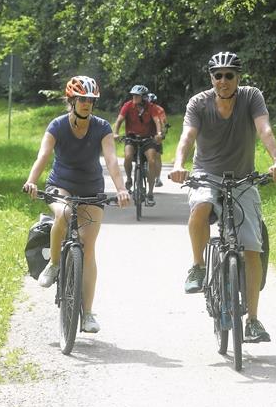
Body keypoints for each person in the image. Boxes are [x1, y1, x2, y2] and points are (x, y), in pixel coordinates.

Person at [169, 51, 276, 343]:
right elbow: (187, 136)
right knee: (201, 206)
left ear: (238, 77)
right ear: (212, 78)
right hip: (206, 174)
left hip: (243, 178)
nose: (223, 81)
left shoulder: (251, 97)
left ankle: (254, 321)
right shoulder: (198, 102)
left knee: (251, 247)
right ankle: (198, 267)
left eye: (229, 75)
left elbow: (264, 129)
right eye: (218, 75)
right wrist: (178, 165)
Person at [23, 76, 131, 335]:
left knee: (89, 247)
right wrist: (31, 181)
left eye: (90, 100)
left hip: (91, 188)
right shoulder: (58, 125)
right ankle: (55, 263)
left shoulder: (102, 127)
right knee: (65, 211)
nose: (86, 104)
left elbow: (112, 160)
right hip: (61, 184)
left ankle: (88, 313)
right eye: (82, 99)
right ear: (71, 101)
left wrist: (121, 189)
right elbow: (44, 155)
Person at [112, 84, 166, 207]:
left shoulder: (151, 107)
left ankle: (150, 193)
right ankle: (130, 178)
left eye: (137, 96)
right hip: (131, 137)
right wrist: (115, 133)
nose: (134, 98)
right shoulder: (128, 106)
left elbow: (157, 121)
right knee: (128, 156)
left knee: (152, 160)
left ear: (144, 97)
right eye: (133, 95)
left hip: (148, 138)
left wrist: (158, 134)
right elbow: (120, 120)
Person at [147, 92, 169, 187]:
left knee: (156, 156)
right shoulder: (159, 109)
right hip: (152, 135)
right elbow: (164, 123)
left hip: (154, 135)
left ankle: (158, 178)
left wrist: (162, 134)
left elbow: (163, 123)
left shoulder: (158, 110)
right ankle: (157, 178)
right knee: (157, 156)